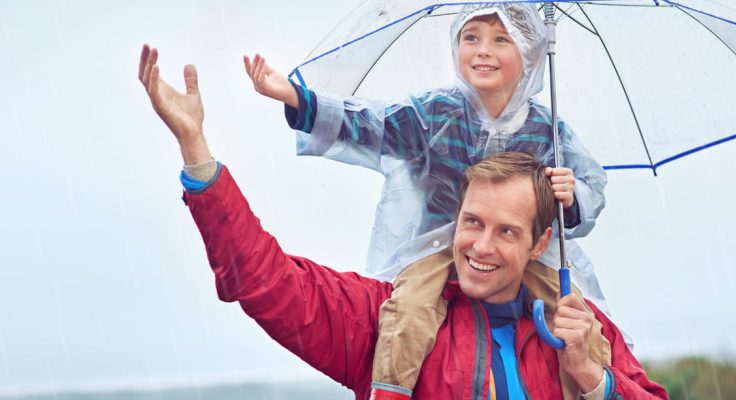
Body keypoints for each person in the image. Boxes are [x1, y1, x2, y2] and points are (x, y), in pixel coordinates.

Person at [137, 44, 668, 400]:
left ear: (541, 242)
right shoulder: (387, 320)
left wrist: (593, 379)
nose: (480, 246)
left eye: (507, 231)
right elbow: (264, 282)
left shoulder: (579, 330)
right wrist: (197, 154)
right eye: (472, 222)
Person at [243, 3, 615, 396]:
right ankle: (391, 390)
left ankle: (594, 389)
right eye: (471, 38)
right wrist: (298, 99)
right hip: (439, 248)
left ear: (532, 55)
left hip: (526, 256)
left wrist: (569, 197)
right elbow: (373, 123)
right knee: (408, 312)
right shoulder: (436, 114)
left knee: (581, 318)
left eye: (501, 39)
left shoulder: (549, 129)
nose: (483, 50)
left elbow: (592, 187)